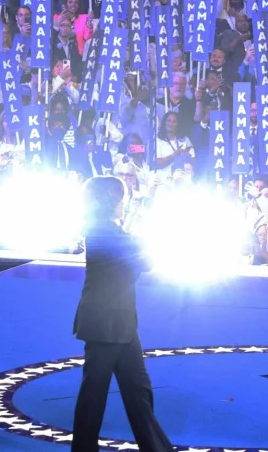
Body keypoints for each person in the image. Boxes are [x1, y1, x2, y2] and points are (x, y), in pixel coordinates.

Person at [71, 176, 173, 452]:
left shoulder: (109, 231)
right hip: (105, 325)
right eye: (121, 198)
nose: (124, 204)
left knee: (139, 392)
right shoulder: (101, 231)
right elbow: (146, 261)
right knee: (94, 396)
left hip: (121, 324)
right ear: (110, 200)